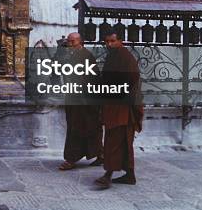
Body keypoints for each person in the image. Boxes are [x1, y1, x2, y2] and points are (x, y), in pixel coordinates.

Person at [94, 29, 143, 189]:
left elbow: (132, 79)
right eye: (107, 41)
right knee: (122, 142)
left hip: (122, 108)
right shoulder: (113, 56)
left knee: (114, 142)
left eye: (112, 41)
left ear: (121, 41)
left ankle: (107, 175)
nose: (109, 44)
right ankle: (130, 175)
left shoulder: (125, 57)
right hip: (114, 106)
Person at [58, 32, 104, 171]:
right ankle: (100, 154)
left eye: (72, 42)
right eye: (69, 42)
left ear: (80, 42)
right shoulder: (74, 55)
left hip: (83, 101)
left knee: (78, 129)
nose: (70, 44)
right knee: (88, 128)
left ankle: (71, 159)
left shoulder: (85, 56)